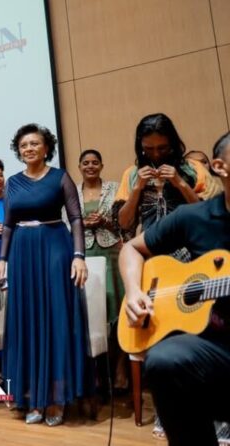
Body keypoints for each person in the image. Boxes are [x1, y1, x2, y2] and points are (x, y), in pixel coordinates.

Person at [120, 131, 230, 446]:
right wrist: (133, 291)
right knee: (165, 359)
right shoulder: (194, 218)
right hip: (213, 350)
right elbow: (132, 247)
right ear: (220, 167)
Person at [0, 124, 89, 426]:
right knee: (28, 322)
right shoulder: (13, 182)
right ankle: (32, 397)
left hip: (55, 248)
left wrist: (79, 256)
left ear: (47, 147)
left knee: (54, 320)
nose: (29, 149)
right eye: (23, 145)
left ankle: (55, 399)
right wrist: (2, 260)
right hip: (22, 252)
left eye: (35, 143)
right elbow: (8, 224)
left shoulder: (60, 177)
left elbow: (75, 217)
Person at [76, 149, 127, 390]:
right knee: (90, 313)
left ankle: (119, 370)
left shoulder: (116, 188)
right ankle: (94, 372)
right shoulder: (72, 191)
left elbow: (126, 221)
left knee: (116, 311)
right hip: (83, 255)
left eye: (95, 162)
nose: (90, 166)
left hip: (110, 252)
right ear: (79, 167)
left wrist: (106, 221)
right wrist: (83, 224)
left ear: (102, 165)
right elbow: (66, 223)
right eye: (86, 163)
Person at [114, 113, 207, 240]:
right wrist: (137, 188)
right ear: (140, 146)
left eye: (162, 148)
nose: (156, 154)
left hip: (188, 246)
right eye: (149, 149)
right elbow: (124, 224)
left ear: (172, 144)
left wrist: (180, 183)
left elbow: (206, 215)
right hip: (147, 249)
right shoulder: (132, 174)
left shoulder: (193, 169)